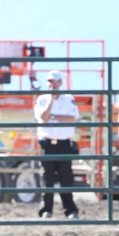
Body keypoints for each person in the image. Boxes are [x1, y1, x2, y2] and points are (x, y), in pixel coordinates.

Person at [34, 70, 80, 219]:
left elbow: (72, 117)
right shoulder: (42, 99)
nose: (51, 84)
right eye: (49, 81)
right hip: (48, 144)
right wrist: (51, 102)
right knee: (48, 179)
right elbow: (43, 117)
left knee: (66, 178)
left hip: (64, 145)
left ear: (60, 82)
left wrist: (54, 116)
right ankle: (46, 210)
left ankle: (70, 210)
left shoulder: (68, 98)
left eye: (54, 81)